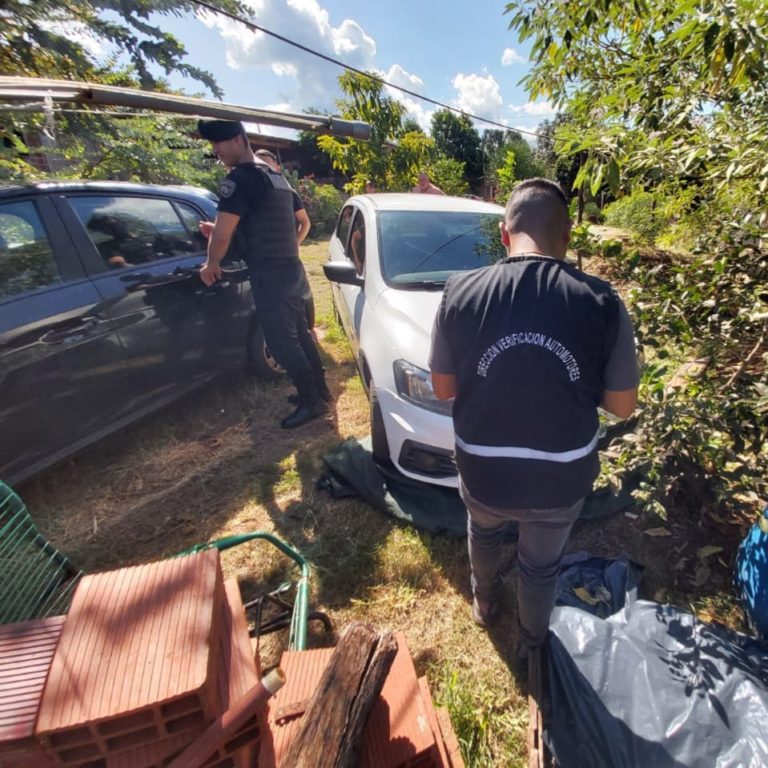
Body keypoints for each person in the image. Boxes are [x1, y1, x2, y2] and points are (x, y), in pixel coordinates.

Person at [429, 178, 639, 674]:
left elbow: (442, 389)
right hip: (560, 477)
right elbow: (623, 407)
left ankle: (484, 606)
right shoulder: (602, 302)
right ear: (567, 235)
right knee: (540, 566)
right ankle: (532, 641)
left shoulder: (459, 291)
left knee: (483, 534)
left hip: (483, 469)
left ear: (504, 234)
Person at [197, 119, 330, 429]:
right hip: (290, 268)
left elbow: (224, 233)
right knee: (300, 335)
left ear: (239, 140)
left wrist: (211, 263)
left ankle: (311, 403)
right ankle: (319, 391)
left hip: (269, 273)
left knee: (283, 344)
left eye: (220, 144)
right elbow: (262, 221)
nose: (216, 152)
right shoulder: (274, 177)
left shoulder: (241, 179)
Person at [254, 148, 317, 338]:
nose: (262, 168)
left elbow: (305, 222)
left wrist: (295, 243)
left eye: (266, 163)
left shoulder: (286, 192)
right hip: (263, 259)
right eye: (258, 164)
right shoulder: (251, 193)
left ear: (277, 167)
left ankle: (306, 330)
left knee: (297, 296)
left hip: (288, 259)